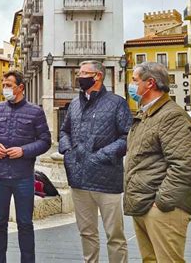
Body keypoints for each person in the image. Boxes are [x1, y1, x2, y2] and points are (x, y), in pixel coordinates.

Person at [124, 62, 191, 262]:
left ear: (150, 83)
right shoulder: (146, 114)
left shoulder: (171, 115)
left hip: (161, 208)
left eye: (135, 80)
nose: (131, 85)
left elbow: (183, 164)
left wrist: (161, 203)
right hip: (143, 205)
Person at [59, 60, 132, 263]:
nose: (79, 76)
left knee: (115, 236)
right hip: (79, 179)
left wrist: (101, 156)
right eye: (79, 72)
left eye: (83, 73)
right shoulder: (74, 104)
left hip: (107, 180)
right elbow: (64, 130)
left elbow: (127, 137)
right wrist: (67, 151)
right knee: (86, 233)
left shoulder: (117, 103)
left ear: (98, 76)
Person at [0, 70, 51, 263]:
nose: (5, 88)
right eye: (3, 85)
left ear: (20, 87)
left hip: (23, 177)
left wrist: (24, 150)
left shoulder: (35, 111)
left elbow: (45, 141)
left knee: (25, 224)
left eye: (9, 85)